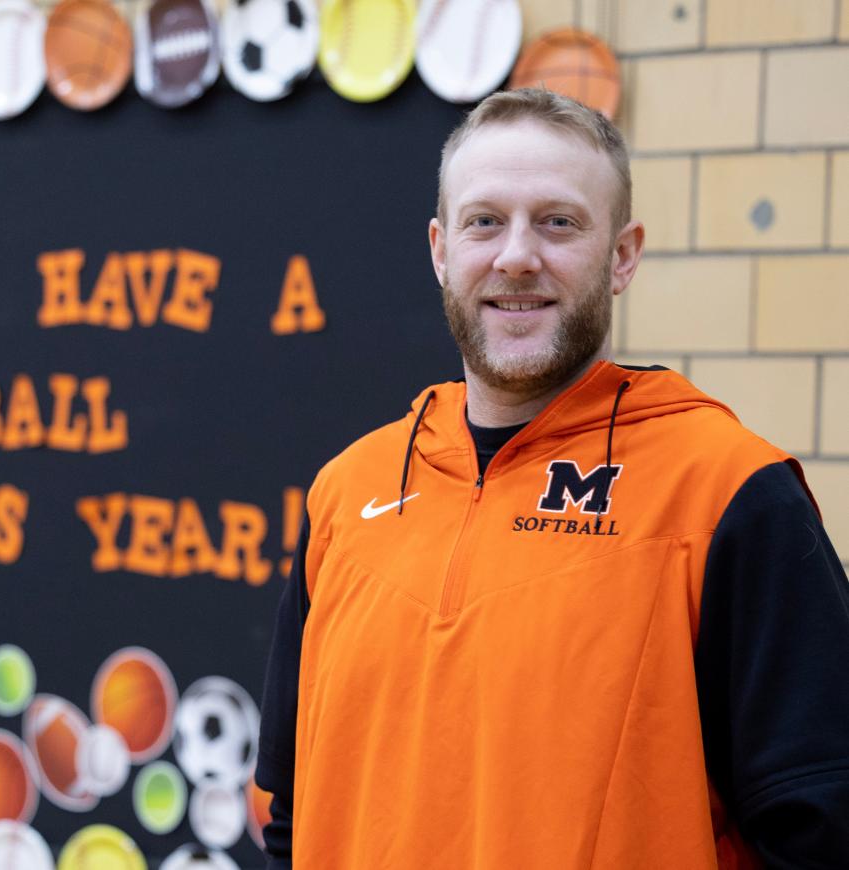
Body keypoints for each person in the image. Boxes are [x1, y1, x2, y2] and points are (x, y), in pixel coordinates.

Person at [256, 88, 849, 869]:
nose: (516, 256)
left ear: (623, 254)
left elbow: (822, 832)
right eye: (484, 221)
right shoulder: (345, 496)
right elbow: (292, 813)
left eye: (558, 222)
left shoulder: (726, 492)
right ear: (441, 249)